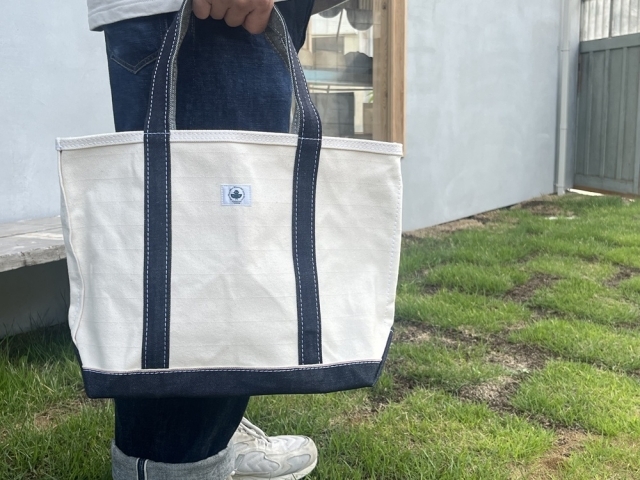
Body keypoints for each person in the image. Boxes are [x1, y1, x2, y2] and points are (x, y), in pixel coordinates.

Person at [87, 0, 340, 478]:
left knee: (223, 263)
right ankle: (178, 463)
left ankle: (211, 438)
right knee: (206, 271)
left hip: (242, 15)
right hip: (215, 15)